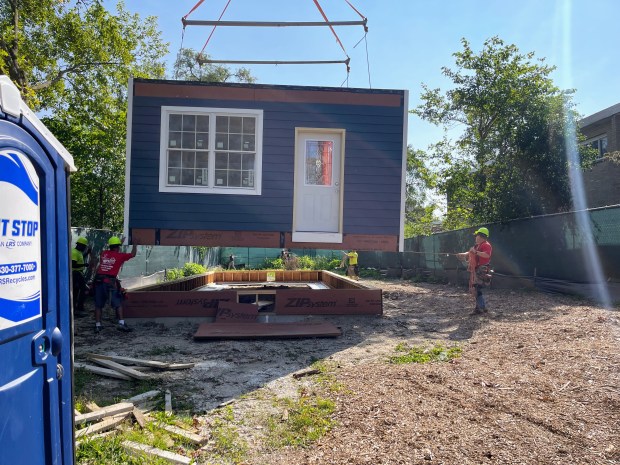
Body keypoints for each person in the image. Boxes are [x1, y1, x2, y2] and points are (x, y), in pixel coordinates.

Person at [93, 236, 137, 332]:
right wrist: (135, 243)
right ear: (118, 247)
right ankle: (121, 323)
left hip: (99, 281)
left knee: (98, 305)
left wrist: (119, 242)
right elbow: (133, 254)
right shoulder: (120, 256)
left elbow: (113, 251)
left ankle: (98, 325)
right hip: (110, 282)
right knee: (118, 303)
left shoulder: (103, 253)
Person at [457, 227, 493, 314]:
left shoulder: (486, 245)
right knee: (476, 288)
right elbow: (470, 252)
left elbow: (487, 255)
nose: (475, 237)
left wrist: (476, 252)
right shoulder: (477, 246)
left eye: (476, 236)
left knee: (476, 288)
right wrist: (464, 254)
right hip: (477, 269)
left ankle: (481, 307)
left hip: (482, 269)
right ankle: (480, 308)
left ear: (481, 236)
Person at [71, 237, 92, 316]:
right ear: (80, 245)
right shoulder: (74, 252)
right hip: (76, 273)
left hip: (78, 273)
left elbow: (81, 258)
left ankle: (75, 308)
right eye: (84, 246)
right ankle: (79, 307)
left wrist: (87, 252)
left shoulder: (78, 252)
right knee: (84, 289)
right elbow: (73, 264)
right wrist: (84, 264)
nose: (84, 248)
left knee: (76, 291)